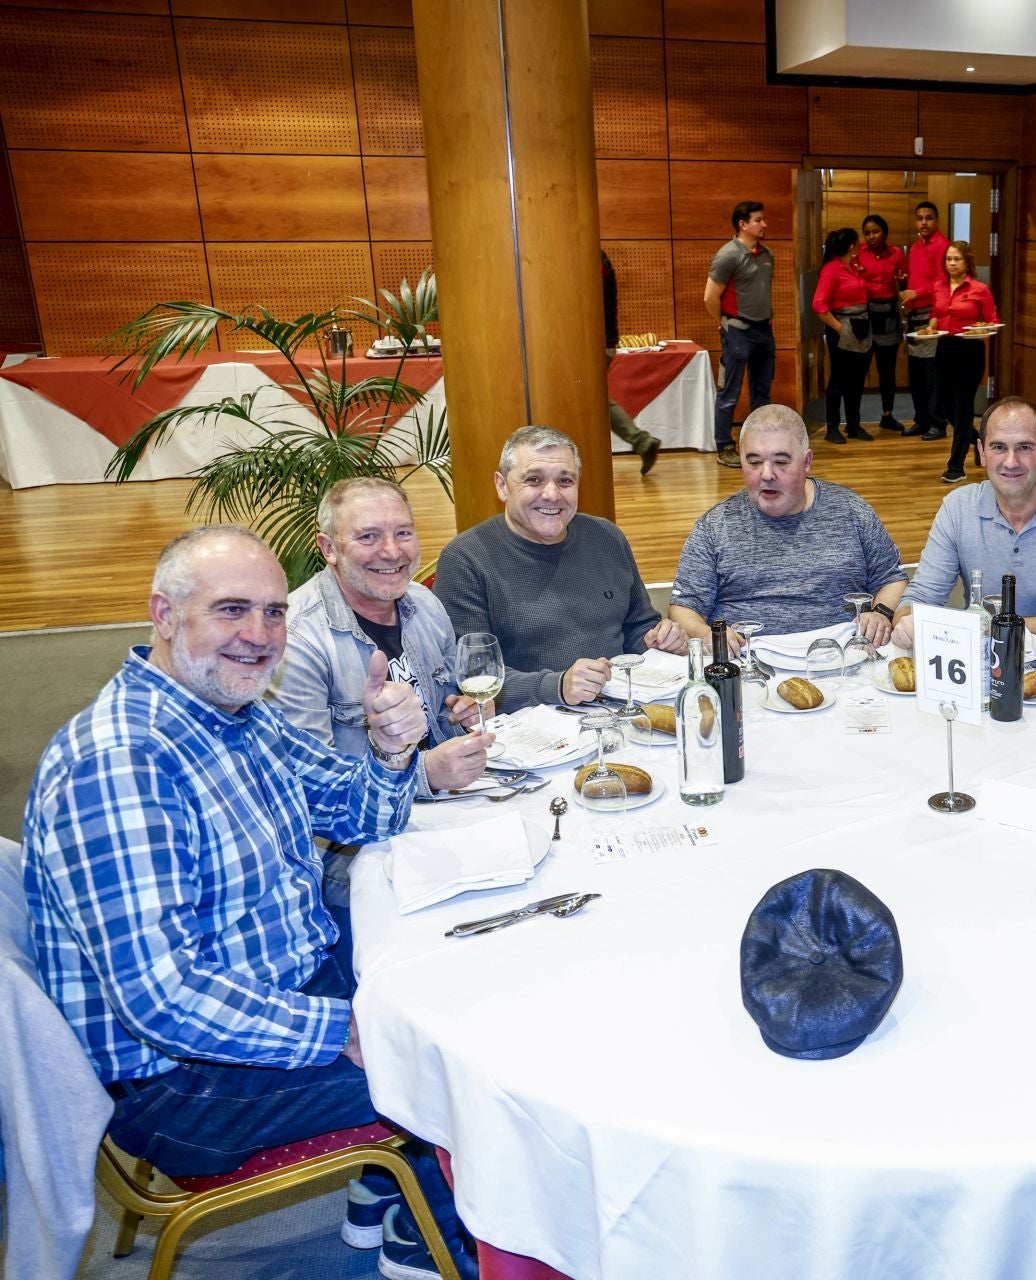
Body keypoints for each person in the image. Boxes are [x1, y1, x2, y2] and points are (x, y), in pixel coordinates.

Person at [22, 526, 475, 1279]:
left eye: (272, 614)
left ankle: (394, 1197)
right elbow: (161, 1001)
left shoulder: (234, 714)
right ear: (164, 615)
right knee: (461, 1064)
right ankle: (440, 1245)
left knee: (464, 969)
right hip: (187, 1082)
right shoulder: (121, 764)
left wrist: (394, 752)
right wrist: (345, 1025)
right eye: (232, 610)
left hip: (279, 985)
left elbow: (353, 808)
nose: (259, 636)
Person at [434, 426, 685, 711]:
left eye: (565, 481)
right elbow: (473, 677)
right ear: (502, 486)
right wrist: (557, 686)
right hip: (530, 728)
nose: (552, 494)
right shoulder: (465, 559)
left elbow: (638, 625)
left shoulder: (607, 536)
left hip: (620, 710)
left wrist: (659, 639)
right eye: (534, 480)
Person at [275, 478, 493, 799]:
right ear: (328, 548)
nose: (392, 552)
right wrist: (424, 774)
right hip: (362, 837)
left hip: (448, 804)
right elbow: (310, 785)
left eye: (403, 533)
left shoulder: (424, 603)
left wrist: (467, 717)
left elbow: (448, 712)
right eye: (368, 536)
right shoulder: (295, 641)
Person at [671, 404, 906, 645]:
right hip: (747, 664)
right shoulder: (714, 526)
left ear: (806, 462)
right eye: (754, 462)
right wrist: (708, 635)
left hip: (843, 660)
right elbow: (685, 609)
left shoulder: (851, 510)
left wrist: (881, 614)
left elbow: (892, 579)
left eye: (781, 462)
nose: (766, 474)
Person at [894, 397, 1036, 649]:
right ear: (981, 452)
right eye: (998, 447)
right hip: (980, 664)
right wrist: (907, 622)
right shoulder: (957, 507)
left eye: (1025, 447)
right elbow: (919, 597)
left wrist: (993, 630)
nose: (1011, 461)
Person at [705, 200, 776, 469]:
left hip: (764, 331)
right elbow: (710, 297)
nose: (764, 224)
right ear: (742, 224)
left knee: (762, 391)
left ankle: (758, 444)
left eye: (763, 219)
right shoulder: (728, 255)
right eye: (758, 220)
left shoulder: (767, 255)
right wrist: (724, 324)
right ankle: (724, 446)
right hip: (737, 331)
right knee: (730, 392)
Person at [932, 239, 1000, 484]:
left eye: (956, 259)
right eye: (948, 259)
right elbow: (936, 315)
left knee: (963, 408)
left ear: (967, 261)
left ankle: (955, 466)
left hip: (969, 349)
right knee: (946, 407)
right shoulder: (938, 286)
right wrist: (929, 326)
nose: (951, 263)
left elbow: (992, 320)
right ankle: (978, 440)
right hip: (944, 347)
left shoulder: (979, 289)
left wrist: (981, 330)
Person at [813, 226, 876, 446]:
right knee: (839, 379)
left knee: (857, 379)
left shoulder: (854, 267)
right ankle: (832, 426)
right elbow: (819, 304)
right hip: (843, 327)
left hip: (861, 325)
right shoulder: (832, 269)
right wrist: (840, 328)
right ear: (852, 247)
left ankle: (853, 424)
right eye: (857, 243)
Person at [601, 249, 661, 473]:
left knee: (590, 400)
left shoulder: (590, 262)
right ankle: (641, 441)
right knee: (596, 399)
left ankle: (640, 441)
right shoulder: (597, 259)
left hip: (593, 343)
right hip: (604, 341)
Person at [899, 200, 950, 439]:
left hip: (932, 315)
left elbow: (941, 282)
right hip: (914, 314)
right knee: (916, 373)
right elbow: (913, 281)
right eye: (919, 218)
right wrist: (908, 302)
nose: (924, 222)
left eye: (928, 217)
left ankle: (937, 423)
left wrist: (916, 294)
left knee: (932, 374)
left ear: (936, 220)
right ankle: (921, 419)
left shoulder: (943, 246)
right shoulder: (916, 248)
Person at [857, 214, 908, 435]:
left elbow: (905, 280)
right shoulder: (857, 252)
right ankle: (853, 419)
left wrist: (902, 280)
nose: (871, 237)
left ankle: (887, 415)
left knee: (887, 371)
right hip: (865, 314)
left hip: (888, 313)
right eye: (867, 233)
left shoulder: (896, 253)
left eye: (875, 232)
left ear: (884, 233)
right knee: (860, 370)